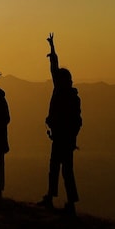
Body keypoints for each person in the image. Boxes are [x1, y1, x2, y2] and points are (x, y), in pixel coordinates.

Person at [39, 33, 82, 215]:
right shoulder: (69, 95)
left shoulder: (68, 96)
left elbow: (76, 121)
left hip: (62, 138)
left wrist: (53, 49)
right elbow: (55, 68)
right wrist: (53, 48)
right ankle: (59, 199)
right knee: (60, 170)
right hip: (63, 137)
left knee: (59, 169)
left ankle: (57, 199)